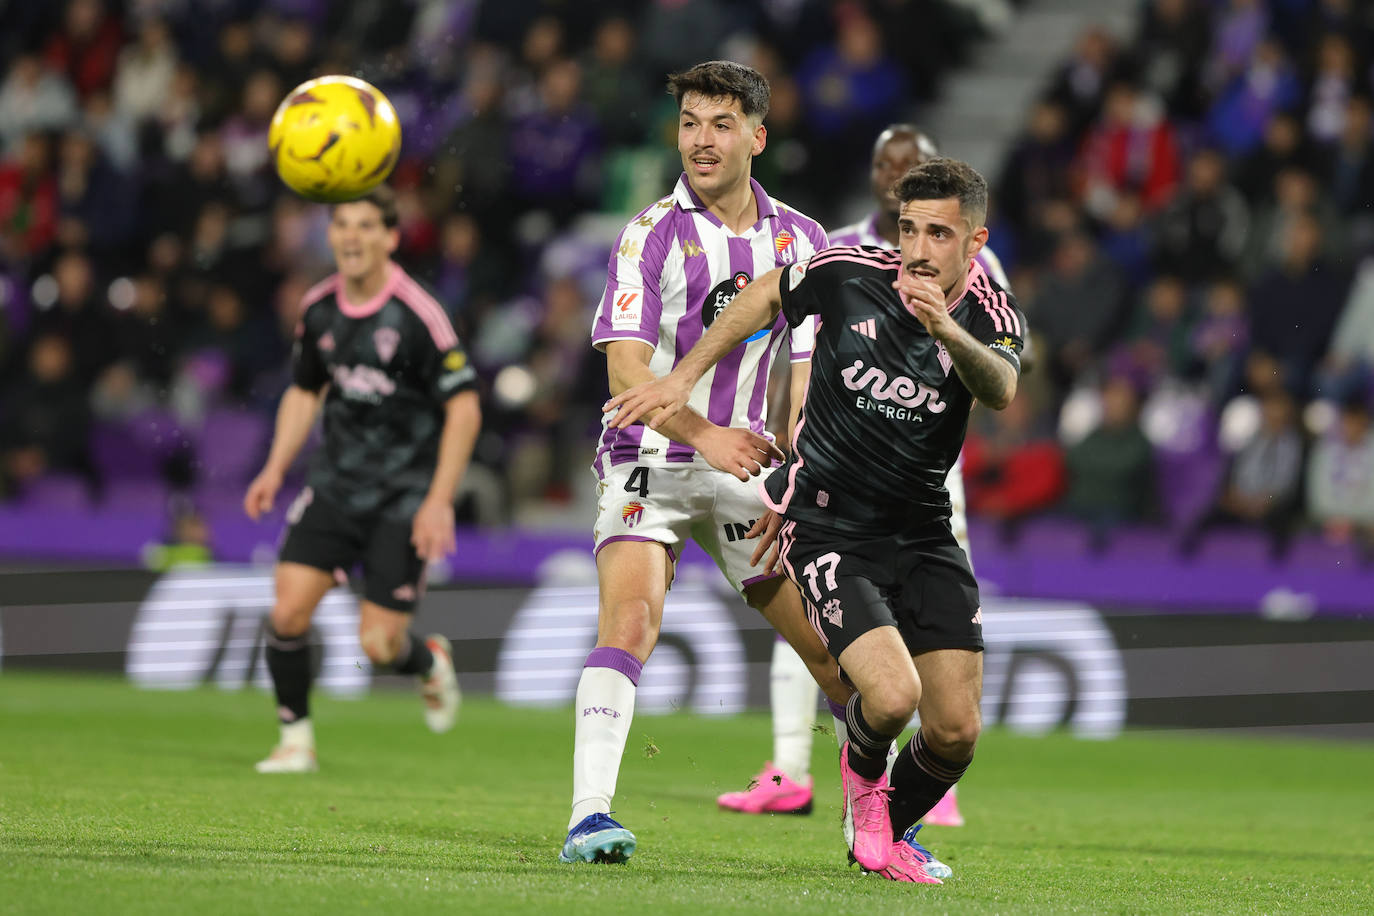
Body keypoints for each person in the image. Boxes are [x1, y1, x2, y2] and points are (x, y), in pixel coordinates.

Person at [607, 158, 1026, 884]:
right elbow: (763, 296)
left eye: (938, 234)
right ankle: (865, 805)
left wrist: (947, 334)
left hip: (924, 530)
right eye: (907, 229)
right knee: (891, 697)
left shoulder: (990, 313)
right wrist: (684, 377)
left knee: (956, 732)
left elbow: (1002, 388)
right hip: (832, 524)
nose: (918, 250)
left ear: (973, 240)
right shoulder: (847, 271)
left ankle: (887, 827)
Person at [559, 60, 853, 866]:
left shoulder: (801, 240)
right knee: (629, 622)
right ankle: (589, 817)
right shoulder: (649, 233)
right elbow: (625, 372)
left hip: (747, 467)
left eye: (721, 124)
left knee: (829, 648)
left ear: (758, 137)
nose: (701, 139)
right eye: (690, 122)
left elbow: (806, 375)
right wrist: (704, 432)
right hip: (649, 455)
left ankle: (883, 823)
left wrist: (794, 470)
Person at [720, 125, 1008, 828]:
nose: (893, 174)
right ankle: (796, 765)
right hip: (837, 478)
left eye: (909, 165)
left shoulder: (984, 276)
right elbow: (804, 345)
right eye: (886, 165)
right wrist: (796, 460)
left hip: (930, 481)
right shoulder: (846, 253)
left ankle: (919, 781)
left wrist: (947, 328)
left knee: (938, 687)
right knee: (836, 639)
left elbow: (995, 377)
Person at [243, 187, 481, 773]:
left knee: (377, 646)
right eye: (342, 224)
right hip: (335, 487)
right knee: (288, 613)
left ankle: (426, 662)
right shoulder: (318, 308)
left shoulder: (418, 314)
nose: (352, 236)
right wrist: (275, 467)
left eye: (366, 226)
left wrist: (438, 502)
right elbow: (304, 391)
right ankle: (294, 739)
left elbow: (466, 407)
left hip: (402, 496)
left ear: (390, 238)